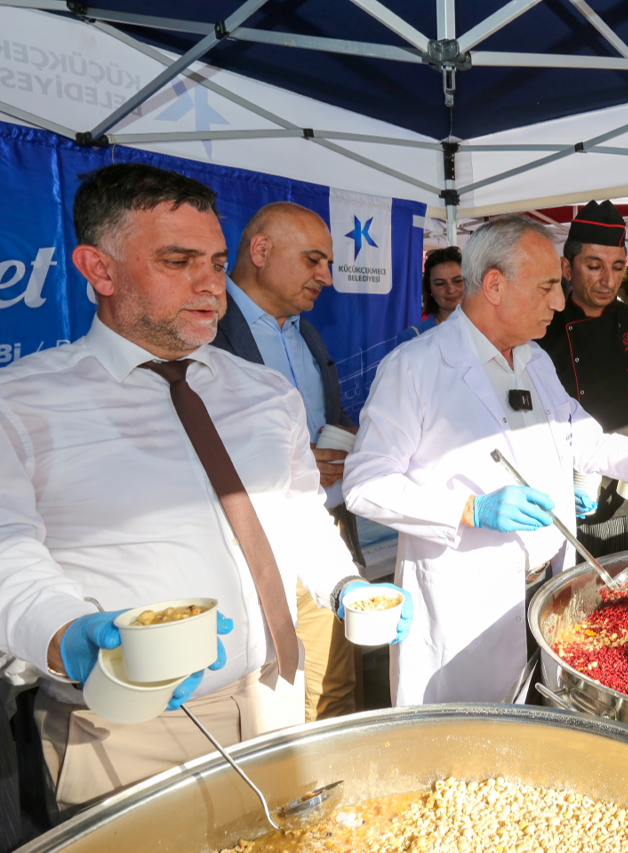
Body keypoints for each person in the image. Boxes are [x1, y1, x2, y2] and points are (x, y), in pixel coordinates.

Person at [0, 163, 409, 815]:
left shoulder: (263, 390)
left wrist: (344, 587)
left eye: (217, 262)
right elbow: (8, 558)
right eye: (177, 260)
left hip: (279, 695)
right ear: (99, 269)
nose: (209, 285)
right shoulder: (20, 404)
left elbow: (299, 513)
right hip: (127, 729)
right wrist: (69, 633)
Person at [342, 216, 628, 706]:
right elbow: (364, 484)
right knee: (468, 749)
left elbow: (586, 442)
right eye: (548, 285)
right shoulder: (415, 368)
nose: (558, 300)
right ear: (494, 285)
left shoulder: (533, 360)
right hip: (466, 601)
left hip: (543, 591)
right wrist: (470, 510)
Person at [213, 201, 361, 723]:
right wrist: (284, 467)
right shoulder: (205, 327)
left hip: (324, 530)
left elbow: (328, 415)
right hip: (249, 544)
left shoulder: (304, 330)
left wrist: (341, 445)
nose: (325, 276)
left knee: (330, 690)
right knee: (260, 704)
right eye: (314, 260)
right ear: (260, 250)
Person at [541, 200, 628, 556]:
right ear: (566, 268)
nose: (608, 280)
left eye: (618, 267)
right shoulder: (541, 328)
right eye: (594, 266)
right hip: (554, 496)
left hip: (627, 498)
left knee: (621, 602)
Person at [398, 246, 464, 343]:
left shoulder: (488, 328)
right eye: (440, 284)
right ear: (429, 288)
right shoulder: (414, 337)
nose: (451, 289)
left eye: (458, 281)